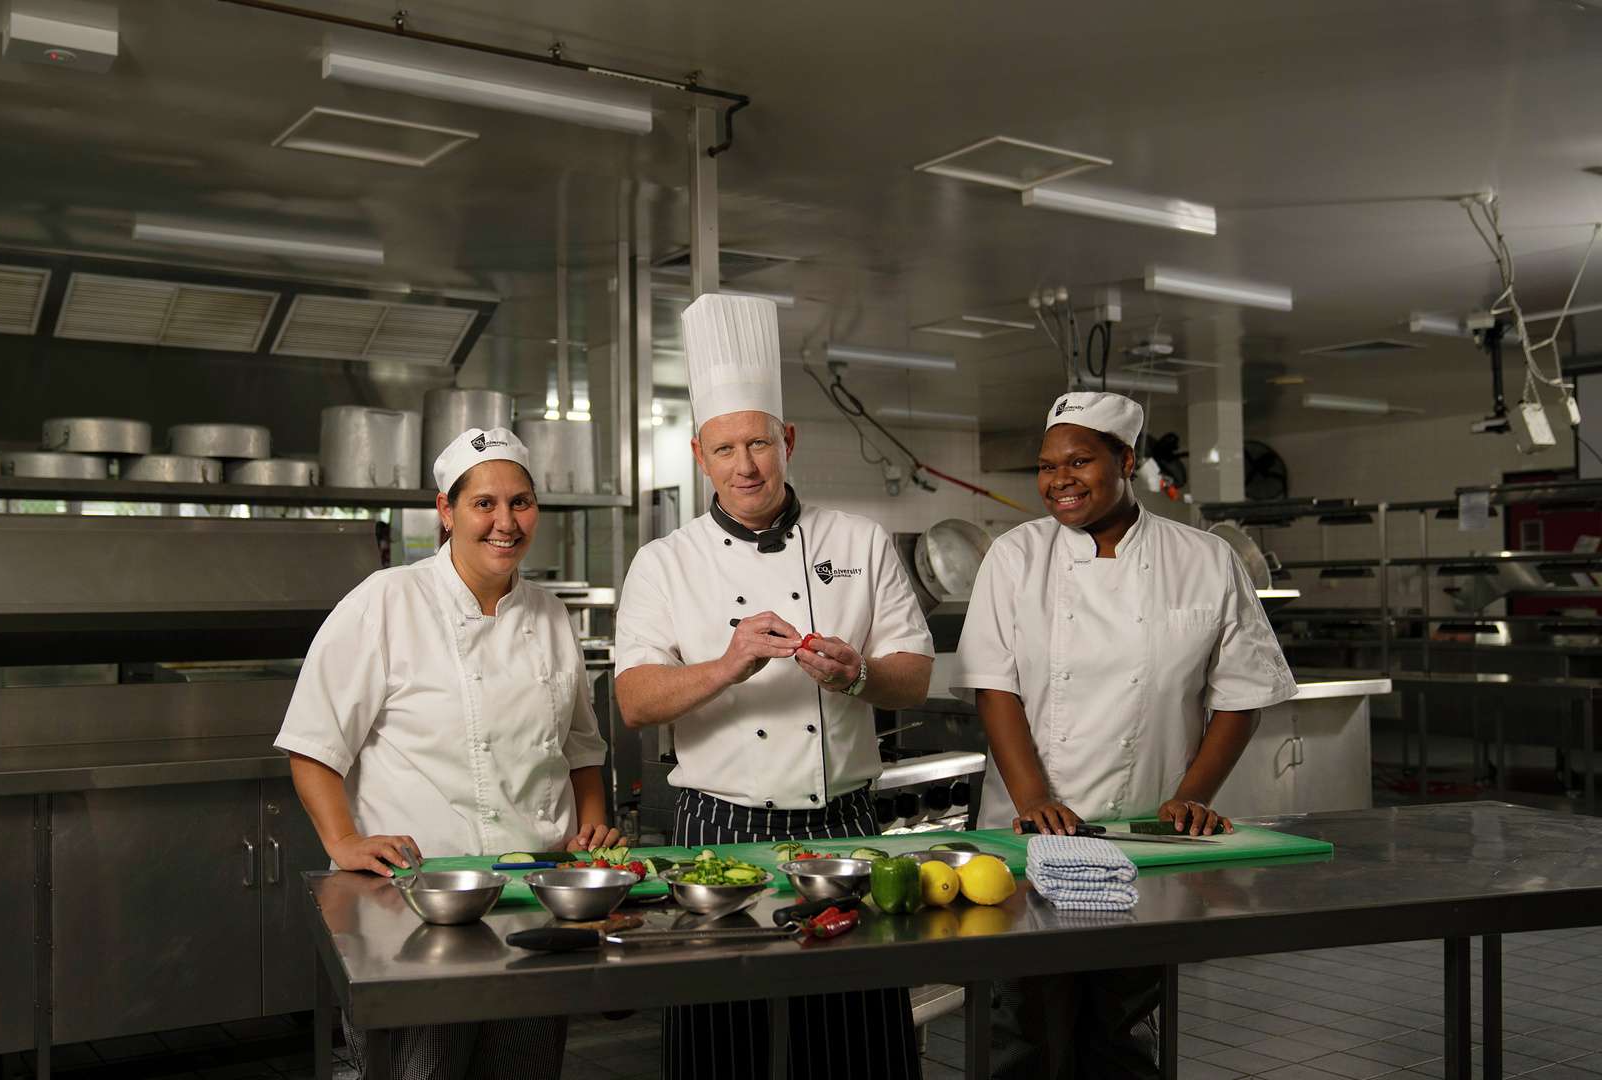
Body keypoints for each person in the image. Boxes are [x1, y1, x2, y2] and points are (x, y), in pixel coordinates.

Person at [615, 293, 936, 1080]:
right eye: (725, 450)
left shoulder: (857, 540)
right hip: (717, 829)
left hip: (844, 821)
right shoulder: (665, 562)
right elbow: (632, 702)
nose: (746, 465)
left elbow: (915, 678)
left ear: (787, 441)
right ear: (700, 457)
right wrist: (727, 665)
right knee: (719, 1042)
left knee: (861, 1040)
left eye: (759, 443)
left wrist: (858, 673)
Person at [953, 390, 1298, 1078]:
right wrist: (1031, 801)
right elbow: (996, 689)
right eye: (1047, 466)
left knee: (1123, 1024)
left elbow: (1241, 695)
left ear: (1127, 461)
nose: (1059, 480)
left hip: (1144, 830)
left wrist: (1194, 796)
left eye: (1079, 461)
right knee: (1025, 1025)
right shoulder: (1014, 557)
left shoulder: (1204, 559)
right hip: (1028, 835)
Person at [275, 425, 618, 1080]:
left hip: (533, 895)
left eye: (520, 502)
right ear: (446, 510)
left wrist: (591, 825)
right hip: (419, 901)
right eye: (483, 503)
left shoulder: (549, 615)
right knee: (420, 1068)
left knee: (526, 1067)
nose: (505, 523)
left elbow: (579, 745)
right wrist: (344, 839)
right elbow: (313, 743)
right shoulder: (386, 601)